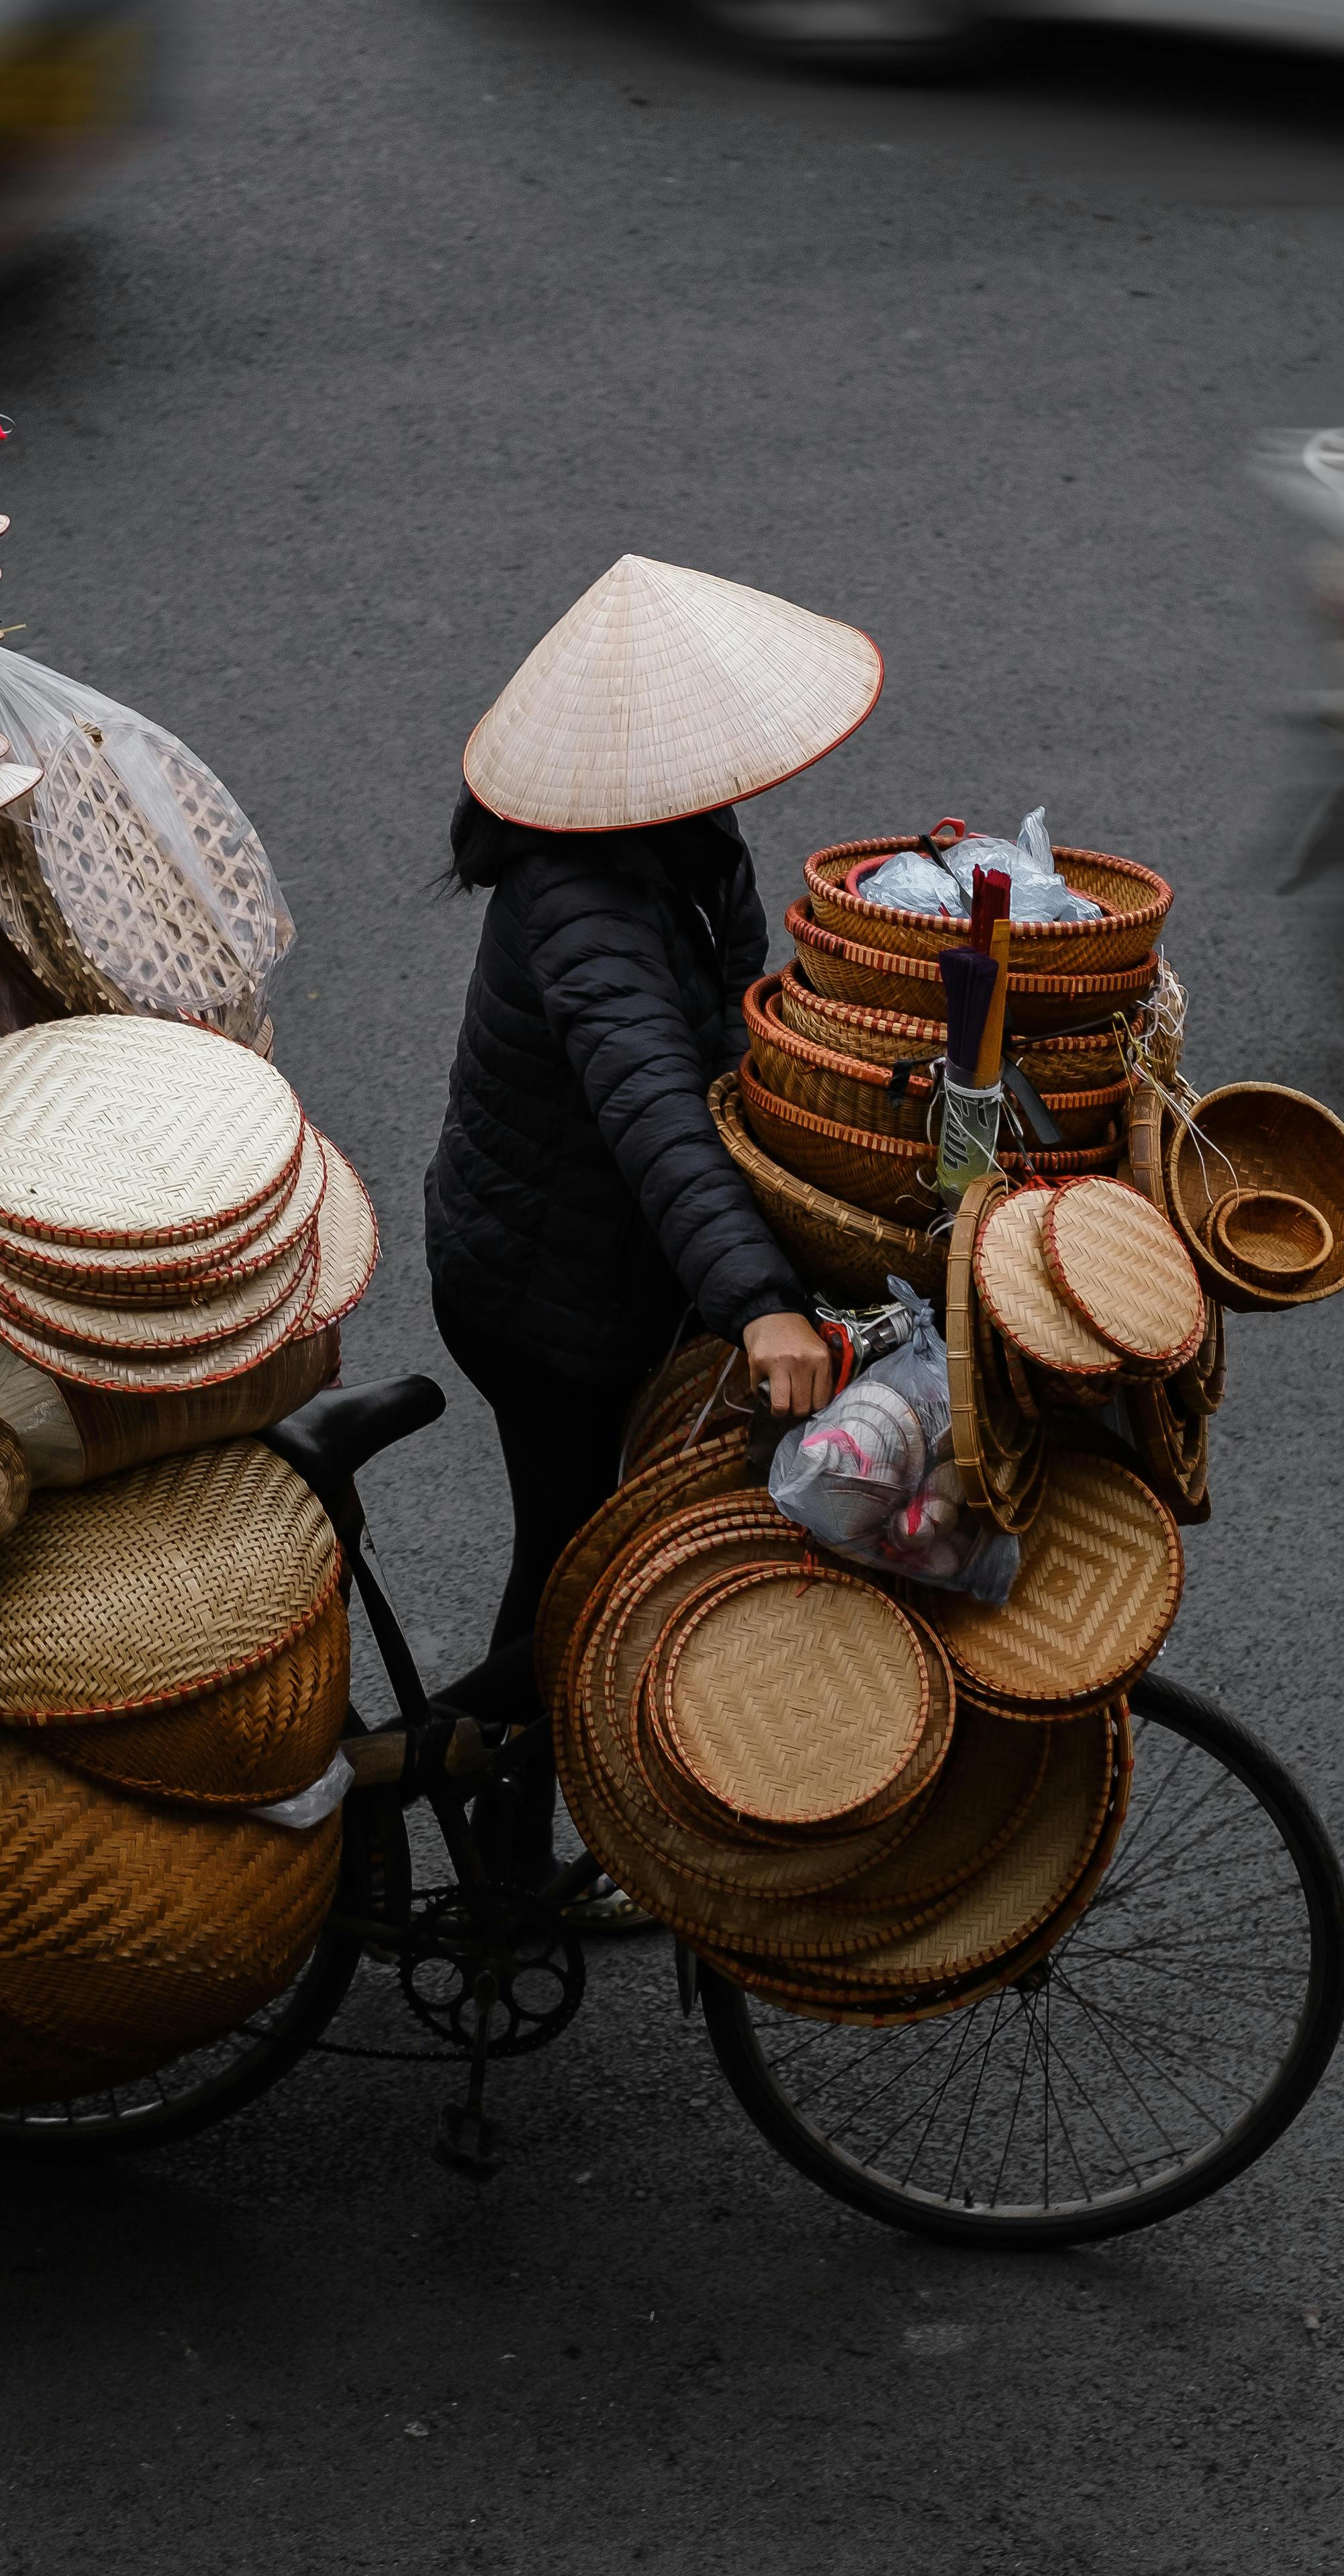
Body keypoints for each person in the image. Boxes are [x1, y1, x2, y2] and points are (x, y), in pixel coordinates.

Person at [420, 554, 880, 1754]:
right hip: (543, 1293)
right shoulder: (581, 899)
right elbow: (658, 1113)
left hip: (610, 1257)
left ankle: (500, 1829)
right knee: (589, 1573)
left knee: (583, 1551)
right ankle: (419, 1772)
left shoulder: (680, 838)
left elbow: (733, 1029)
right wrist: (761, 1304)